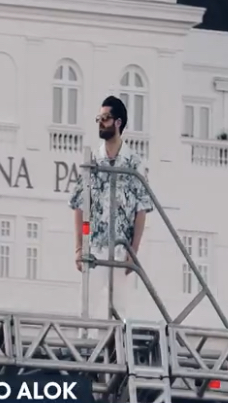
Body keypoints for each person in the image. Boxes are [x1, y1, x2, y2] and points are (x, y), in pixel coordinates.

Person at [68, 96, 154, 320]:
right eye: (99, 118)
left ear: (117, 122)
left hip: (120, 248)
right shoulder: (93, 160)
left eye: (105, 118)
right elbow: (79, 204)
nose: (100, 122)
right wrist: (79, 247)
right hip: (94, 246)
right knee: (85, 307)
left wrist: (133, 253)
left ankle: (117, 353)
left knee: (119, 311)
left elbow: (141, 210)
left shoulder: (134, 164)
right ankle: (86, 350)